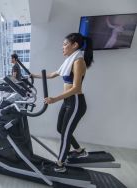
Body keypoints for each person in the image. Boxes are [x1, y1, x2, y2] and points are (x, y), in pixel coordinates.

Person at [32, 33, 93, 173]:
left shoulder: (78, 61)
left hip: (76, 102)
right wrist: (32, 75)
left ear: (75, 45)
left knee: (65, 133)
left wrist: (54, 99)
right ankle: (79, 150)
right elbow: (52, 75)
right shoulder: (69, 61)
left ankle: (60, 164)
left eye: (65, 44)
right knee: (61, 128)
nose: (62, 47)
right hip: (68, 101)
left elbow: (76, 88)